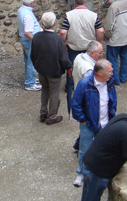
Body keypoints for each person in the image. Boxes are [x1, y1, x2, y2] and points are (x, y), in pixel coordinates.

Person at [71, 59, 117, 190]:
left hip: (105, 123)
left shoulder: (109, 83)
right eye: (110, 71)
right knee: (84, 150)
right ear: (100, 73)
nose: (112, 74)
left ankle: (98, 172)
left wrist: (111, 114)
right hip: (89, 124)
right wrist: (83, 120)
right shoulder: (85, 84)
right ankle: (82, 174)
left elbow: (112, 100)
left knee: (102, 149)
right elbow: (76, 104)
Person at [71, 41, 104, 187]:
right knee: (86, 145)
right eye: (100, 53)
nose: (102, 55)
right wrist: (83, 118)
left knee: (88, 140)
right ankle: (83, 172)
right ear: (92, 53)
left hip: (91, 113)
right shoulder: (89, 71)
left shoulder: (79, 57)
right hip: (90, 113)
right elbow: (88, 98)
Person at [30, 12, 72, 125]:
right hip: (54, 72)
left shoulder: (36, 37)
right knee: (54, 93)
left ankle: (43, 112)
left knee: (45, 90)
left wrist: (37, 66)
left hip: (42, 70)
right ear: (54, 23)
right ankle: (52, 116)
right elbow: (63, 59)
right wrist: (69, 66)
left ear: (42, 23)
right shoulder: (57, 40)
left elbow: (32, 55)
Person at [60, 0, 104, 89]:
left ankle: (70, 86)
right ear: (85, 1)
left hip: (73, 47)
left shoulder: (68, 15)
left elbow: (63, 32)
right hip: (89, 47)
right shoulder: (93, 15)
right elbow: (100, 30)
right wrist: (97, 42)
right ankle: (90, 86)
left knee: (71, 67)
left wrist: (64, 42)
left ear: (75, 2)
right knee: (89, 67)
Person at [17, 0, 42, 91]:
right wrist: (36, 40)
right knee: (32, 61)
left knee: (28, 61)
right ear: (32, 3)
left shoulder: (21, 10)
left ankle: (30, 79)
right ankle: (30, 83)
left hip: (24, 39)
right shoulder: (28, 15)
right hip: (29, 40)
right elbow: (28, 32)